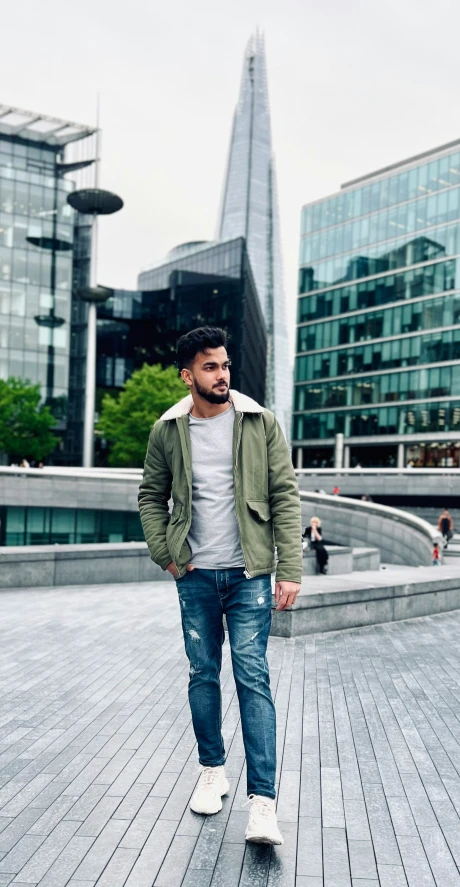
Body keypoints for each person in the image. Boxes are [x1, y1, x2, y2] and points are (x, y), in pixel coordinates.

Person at [138, 326, 301, 846]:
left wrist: (290, 568)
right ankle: (212, 770)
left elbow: (285, 495)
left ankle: (263, 804)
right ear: (188, 376)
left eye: (226, 365)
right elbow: (150, 495)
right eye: (210, 367)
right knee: (203, 674)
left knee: (253, 679)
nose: (223, 375)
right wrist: (165, 554)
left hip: (250, 574)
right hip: (196, 575)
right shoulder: (168, 431)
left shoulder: (259, 423)